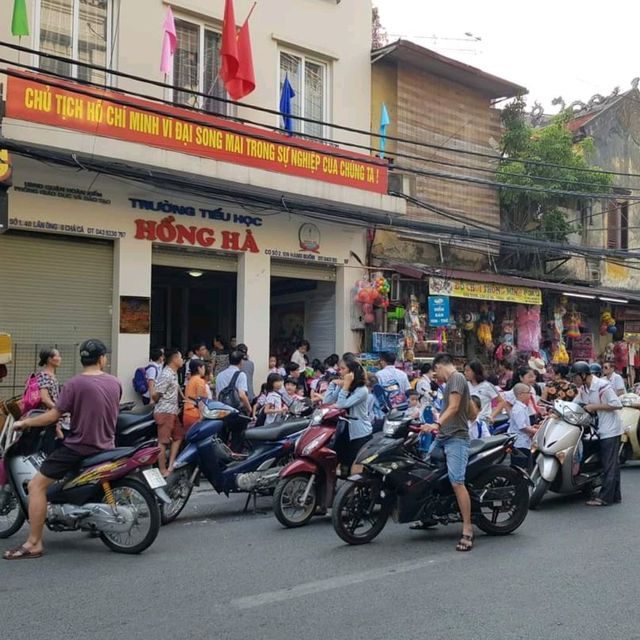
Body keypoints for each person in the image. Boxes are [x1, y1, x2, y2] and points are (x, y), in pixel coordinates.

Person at [4, 339, 121, 560]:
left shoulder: (74, 384)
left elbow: (53, 414)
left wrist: (26, 423)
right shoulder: (115, 383)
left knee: (37, 485)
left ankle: (34, 543)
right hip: (107, 445)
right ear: (102, 358)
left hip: (81, 446)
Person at [420, 352, 475, 552]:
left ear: (440, 366)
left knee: (457, 481)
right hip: (443, 437)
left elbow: (453, 408)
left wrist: (436, 423)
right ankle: (428, 515)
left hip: (456, 438)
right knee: (426, 470)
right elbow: (465, 410)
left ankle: (467, 529)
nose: (436, 377)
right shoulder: (453, 382)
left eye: (435, 372)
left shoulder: (457, 378)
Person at [571, 361, 623, 506]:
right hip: (598, 429)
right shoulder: (583, 389)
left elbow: (617, 404)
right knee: (611, 464)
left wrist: (595, 406)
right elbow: (574, 404)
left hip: (610, 430)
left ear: (583, 375)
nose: (573, 380)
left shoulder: (602, 386)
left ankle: (605, 498)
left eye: (575, 376)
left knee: (609, 464)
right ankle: (615, 495)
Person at [324, 358, 372, 473]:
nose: (339, 371)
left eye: (343, 369)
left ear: (352, 372)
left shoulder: (362, 390)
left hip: (359, 433)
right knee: (337, 461)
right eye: (339, 368)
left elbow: (341, 404)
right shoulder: (345, 385)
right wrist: (332, 384)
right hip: (343, 429)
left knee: (354, 465)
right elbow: (328, 402)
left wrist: (345, 386)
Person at [153, 348, 185, 476]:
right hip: (165, 411)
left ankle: (171, 465)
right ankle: (162, 469)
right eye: (181, 357)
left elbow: (176, 388)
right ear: (175, 359)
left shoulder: (173, 373)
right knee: (163, 441)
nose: (182, 360)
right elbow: (156, 395)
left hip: (173, 411)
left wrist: (184, 399)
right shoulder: (166, 374)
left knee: (179, 436)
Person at [35, 347, 68, 438]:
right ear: (50, 359)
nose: (60, 358)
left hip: (53, 416)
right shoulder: (44, 376)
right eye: (58, 356)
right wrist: (59, 409)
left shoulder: (51, 376)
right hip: (48, 417)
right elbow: (44, 398)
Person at [508, 384, 538, 470]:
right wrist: (535, 431)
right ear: (520, 394)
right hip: (520, 443)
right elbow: (522, 427)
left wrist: (532, 427)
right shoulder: (518, 409)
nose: (530, 395)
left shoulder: (522, 407)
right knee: (519, 468)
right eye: (528, 393)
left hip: (524, 442)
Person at [215, 350, 252, 416]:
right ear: (241, 361)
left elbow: (218, 395)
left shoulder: (219, 375)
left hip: (222, 411)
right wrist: (249, 409)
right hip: (236, 413)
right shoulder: (241, 375)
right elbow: (242, 395)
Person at [183, 359, 208, 432]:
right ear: (199, 368)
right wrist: (201, 417)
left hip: (187, 414)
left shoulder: (190, 380)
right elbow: (200, 400)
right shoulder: (200, 381)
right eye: (203, 368)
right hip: (195, 414)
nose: (204, 370)